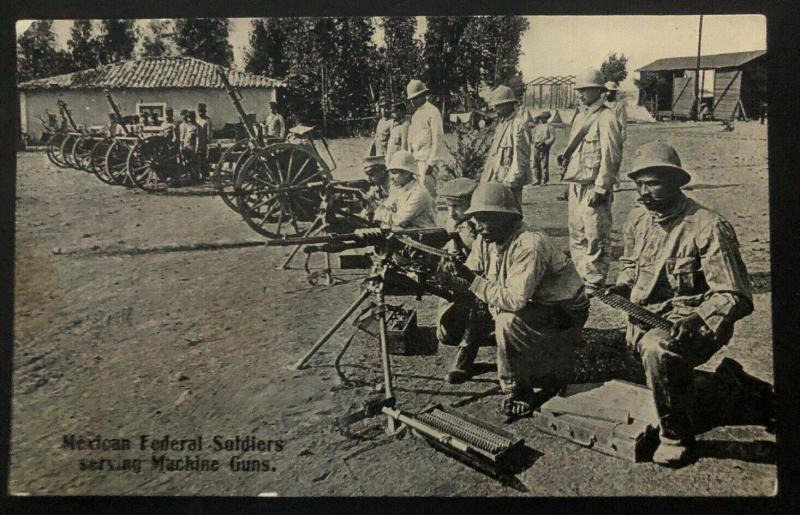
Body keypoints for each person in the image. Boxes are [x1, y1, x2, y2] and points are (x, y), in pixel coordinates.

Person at [605, 142, 754, 467]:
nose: (643, 193)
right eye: (638, 184)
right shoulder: (638, 220)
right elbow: (630, 264)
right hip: (645, 319)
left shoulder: (708, 226)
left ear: (676, 181)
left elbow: (734, 295)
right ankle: (727, 383)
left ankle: (675, 437)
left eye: (653, 183)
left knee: (659, 351)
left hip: (692, 326)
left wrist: (697, 320)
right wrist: (622, 284)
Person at [435, 183, 589, 417]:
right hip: (532, 303)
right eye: (477, 218)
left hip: (562, 313)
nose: (479, 225)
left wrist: (470, 279)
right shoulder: (487, 238)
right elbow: (472, 279)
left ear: (508, 218)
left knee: (507, 321)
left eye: (486, 218)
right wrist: (446, 275)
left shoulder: (529, 244)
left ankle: (518, 388)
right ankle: (466, 356)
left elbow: (514, 301)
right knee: (476, 299)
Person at [558, 68, 624, 295]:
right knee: (576, 233)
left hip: (594, 185)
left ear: (598, 91)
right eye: (580, 90)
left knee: (596, 235)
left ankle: (594, 281)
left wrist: (601, 187)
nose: (581, 94)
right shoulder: (580, 116)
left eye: (585, 90)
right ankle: (580, 276)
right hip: (577, 184)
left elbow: (611, 156)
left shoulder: (607, 118)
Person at [433, 178, 490, 383]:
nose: (452, 213)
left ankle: (465, 357)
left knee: (477, 301)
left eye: (457, 207)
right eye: (449, 207)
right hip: (468, 278)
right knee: (447, 334)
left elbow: (486, 267)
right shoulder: (455, 223)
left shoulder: (484, 227)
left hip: (492, 284)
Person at [480, 85, 532, 207]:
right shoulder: (502, 123)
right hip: (496, 176)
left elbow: (521, 156)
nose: (496, 109)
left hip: (509, 179)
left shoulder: (518, 124)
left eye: (499, 105)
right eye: (495, 106)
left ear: (509, 105)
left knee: (512, 211)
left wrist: (512, 179)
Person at [373, 150, 435, 229]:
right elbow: (388, 207)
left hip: (423, 234)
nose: (391, 177)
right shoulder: (397, 188)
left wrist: (377, 210)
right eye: (390, 173)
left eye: (394, 173)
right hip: (406, 232)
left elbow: (399, 220)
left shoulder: (418, 192)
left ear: (406, 174)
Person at [407, 79, 444, 196]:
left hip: (426, 161)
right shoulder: (416, 115)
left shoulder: (433, 112)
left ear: (424, 96)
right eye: (411, 99)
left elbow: (437, 139)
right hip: (416, 160)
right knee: (417, 195)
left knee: (427, 195)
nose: (412, 102)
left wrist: (431, 163)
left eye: (415, 98)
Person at [532, 111, 555, 186]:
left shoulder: (550, 127)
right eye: (541, 118)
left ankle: (544, 180)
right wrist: (534, 143)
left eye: (544, 118)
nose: (542, 119)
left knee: (544, 164)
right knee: (536, 164)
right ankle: (537, 179)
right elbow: (533, 136)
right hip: (536, 146)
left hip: (544, 146)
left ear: (547, 118)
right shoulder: (537, 126)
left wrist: (545, 143)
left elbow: (552, 138)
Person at [384, 101, 410, 165]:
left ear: (401, 112)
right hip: (390, 160)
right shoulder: (394, 125)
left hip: (398, 162)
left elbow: (404, 147)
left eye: (394, 112)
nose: (392, 114)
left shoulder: (405, 126)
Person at [179, 110, 200, 182]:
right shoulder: (186, 126)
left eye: (192, 117)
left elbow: (198, 138)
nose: (190, 119)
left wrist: (196, 148)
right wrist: (181, 146)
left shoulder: (197, 127)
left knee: (193, 163)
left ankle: (195, 178)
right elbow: (183, 137)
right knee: (186, 162)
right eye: (189, 117)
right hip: (186, 146)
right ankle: (189, 177)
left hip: (192, 147)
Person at [196, 103, 214, 180]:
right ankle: (197, 174)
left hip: (203, 143)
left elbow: (209, 133)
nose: (201, 113)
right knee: (196, 159)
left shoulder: (207, 120)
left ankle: (205, 175)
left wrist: (207, 141)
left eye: (202, 111)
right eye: (199, 111)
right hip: (196, 142)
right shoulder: (196, 120)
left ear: (204, 111)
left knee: (204, 159)